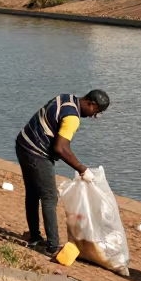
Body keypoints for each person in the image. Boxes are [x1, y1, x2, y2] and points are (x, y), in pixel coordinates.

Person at [14, 89, 110, 256]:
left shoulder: (67, 98)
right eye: (97, 111)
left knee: (33, 193)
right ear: (91, 103)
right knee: (50, 197)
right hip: (37, 153)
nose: (95, 116)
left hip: (23, 143)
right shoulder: (72, 118)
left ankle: (35, 237)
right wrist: (82, 169)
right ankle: (52, 246)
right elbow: (60, 148)